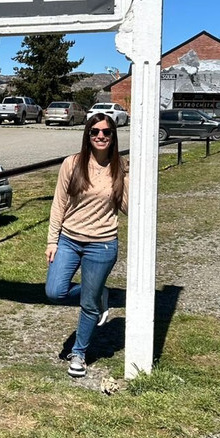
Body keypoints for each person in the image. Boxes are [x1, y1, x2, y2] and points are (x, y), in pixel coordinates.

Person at [44, 113, 129, 378]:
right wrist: (52, 240)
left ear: (113, 136)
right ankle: (98, 294)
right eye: (95, 132)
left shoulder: (120, 168)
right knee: (54, 291)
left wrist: (128, 179)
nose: (100, 136)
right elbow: (59, 203)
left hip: (102, 245)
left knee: (88, 304)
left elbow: (127, 208)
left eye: (106, 132)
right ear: (87, 135)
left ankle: (79, 353)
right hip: (69, 239)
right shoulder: (72, 164)